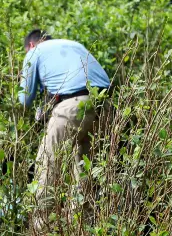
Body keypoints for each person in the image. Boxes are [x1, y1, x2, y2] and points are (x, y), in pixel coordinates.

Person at [18, 29, 111, 221]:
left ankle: (41, 231)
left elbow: (25, 99)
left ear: (31, 45)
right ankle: (83, 229)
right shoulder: (74, 45)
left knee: (48, 164)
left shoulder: (34, 52)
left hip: (73, 105)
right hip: (106, 105)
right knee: (86, 167)